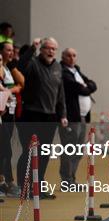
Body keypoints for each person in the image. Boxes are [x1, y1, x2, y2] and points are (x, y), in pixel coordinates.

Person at [16, 37, 67, 199]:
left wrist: (63, 114)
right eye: (47, 48)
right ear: (41, 49)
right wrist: (32, 48)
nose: (51, 51)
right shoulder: (32, 64)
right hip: (31, 114)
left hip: (50, 116)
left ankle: (39, 186)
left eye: (54, 49)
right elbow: (19, 67)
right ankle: (24, 187)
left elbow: (61, 94)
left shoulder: (58, 67)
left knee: (44, 153)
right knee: (29, 152)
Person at [59, 48, 97, 185]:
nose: (71, 58)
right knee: (69, 148)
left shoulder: (77, 70)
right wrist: (85, 87)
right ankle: (66, 180)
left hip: (82, 117)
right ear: (63, 57)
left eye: (74, 55)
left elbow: (93, 84)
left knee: (79, 150)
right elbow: (79, 88)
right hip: (70, 117)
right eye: (68, 55)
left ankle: (71, 179)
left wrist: (86, 86)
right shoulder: (62, 72)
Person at [0, 42, 24, 197]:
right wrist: (8, 91)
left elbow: (21, 82)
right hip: (4, 113)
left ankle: (7, 181)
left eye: (12, 50)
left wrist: (10, 90)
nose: (11, 52)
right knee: (4, 150)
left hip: (10, 113)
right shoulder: (1, 68)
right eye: (8, 50)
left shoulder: (8, 68)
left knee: (6, 150)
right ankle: (5, 181)